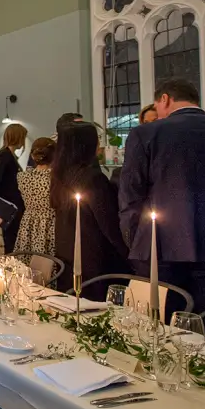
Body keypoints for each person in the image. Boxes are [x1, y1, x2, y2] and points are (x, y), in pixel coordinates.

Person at [118, 78, 205, 328]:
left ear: (164, 99)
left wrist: (135, 240)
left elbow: (131, 194)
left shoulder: (146, 133)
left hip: (159, 246)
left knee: (158, 325)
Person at [52, 123, 129, 298]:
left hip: (68, 253)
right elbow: (108, 223)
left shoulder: (60, 175)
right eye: (98, 140)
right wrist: (128, 254)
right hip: (93, 258)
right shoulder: (92, 179)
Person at [0, 123, 27, 253]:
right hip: (9, 205)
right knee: (10, 241)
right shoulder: (4, 156)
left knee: (12, 240)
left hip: (12, 204)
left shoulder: (8, 155)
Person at [15, 137, 56, 255]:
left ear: (33, 156)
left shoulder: (22, 177)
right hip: (50, 223)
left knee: (27, 258)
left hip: (28, 222)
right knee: (47, 261)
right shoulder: (55, 178)